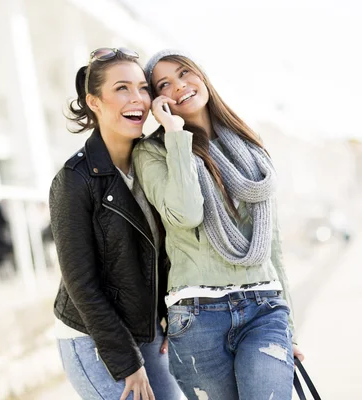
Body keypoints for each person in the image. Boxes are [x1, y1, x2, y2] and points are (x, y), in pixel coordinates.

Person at [133, 49, 304, 400]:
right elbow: (186, 213)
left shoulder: (248, 144)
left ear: (201, 74)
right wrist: (175, 135)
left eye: (184, 73)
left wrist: (291, 331)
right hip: (198, 316)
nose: (180, 86)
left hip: (264, 306)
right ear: (157, 101)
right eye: (165, 84)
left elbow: (271, 244)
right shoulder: (153, 152)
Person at [49, 48, 182, 400]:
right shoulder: (75, 179)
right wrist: (127, 363)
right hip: (92, 337)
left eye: (142, 87)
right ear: (94, 102)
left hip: (145, 327)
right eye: (122, 88)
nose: (137, 98)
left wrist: (168, 315)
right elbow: (81, 284)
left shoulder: (154, 162)